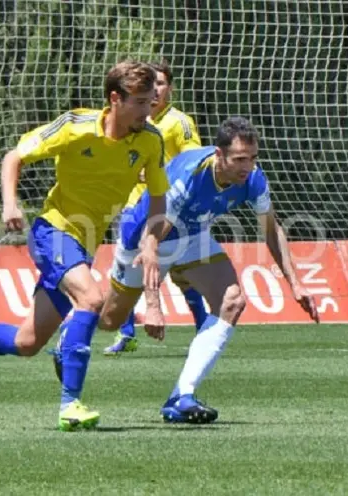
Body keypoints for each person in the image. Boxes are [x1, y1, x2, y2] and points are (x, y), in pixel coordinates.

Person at [0, 61, 169, 431]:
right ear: (115, 99)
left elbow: (159, 197)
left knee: (27, 341)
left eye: (151, 102)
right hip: (54, 231)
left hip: (85, 243)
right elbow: (14, 157)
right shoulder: (76, 127)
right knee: (92, 300)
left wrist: (152, 242)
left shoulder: (149, 140)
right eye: (141, 102)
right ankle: (70, 404)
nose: (149, 110)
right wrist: (11, 203)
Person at [105, 116, 320, 423]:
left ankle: (181, 396)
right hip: (144, 238)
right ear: (219, 155)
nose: (248, 167)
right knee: (110, 319)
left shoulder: (253, 179)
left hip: (192, 235)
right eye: (240, 160)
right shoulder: (189, 177)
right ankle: (77, 324)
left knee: (232, 301)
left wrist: (295, 284)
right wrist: (153, 304)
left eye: (253, 158)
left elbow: (271, 230)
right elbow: (151, 239)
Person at [104, 59, 208, 356]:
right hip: (132, 206)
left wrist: (156, 172)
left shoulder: (180, 122)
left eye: (161, 84)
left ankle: (203, 329)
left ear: (169, 89)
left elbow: (193, 162)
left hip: (168, 208)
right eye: (152, 86)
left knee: (181, 275)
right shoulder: (135, 122)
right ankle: (127, 334)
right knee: (126, 270)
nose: (156, 92)